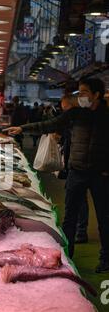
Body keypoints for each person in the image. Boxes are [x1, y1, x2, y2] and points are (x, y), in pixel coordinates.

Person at [8, 78, 109, 273]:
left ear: (96, 94)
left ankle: (106, 258)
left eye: (84, 93)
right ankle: (66, 254)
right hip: (77, 172)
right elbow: (50, 124)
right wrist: (23, 128)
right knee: (69, 216)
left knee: (104, 218)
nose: (80, 97)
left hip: (100, 175)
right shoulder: (76, 114)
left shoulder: (106, 116)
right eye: (79, 93)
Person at [58, 94, 89, 244]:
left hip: (82, 168)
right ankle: (69, 239)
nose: (64, 112)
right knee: (72, 206)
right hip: (73, 166)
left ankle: (81, 231)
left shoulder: (83, 120)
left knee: (80, 202)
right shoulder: (71, 121)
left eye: (66, 108)